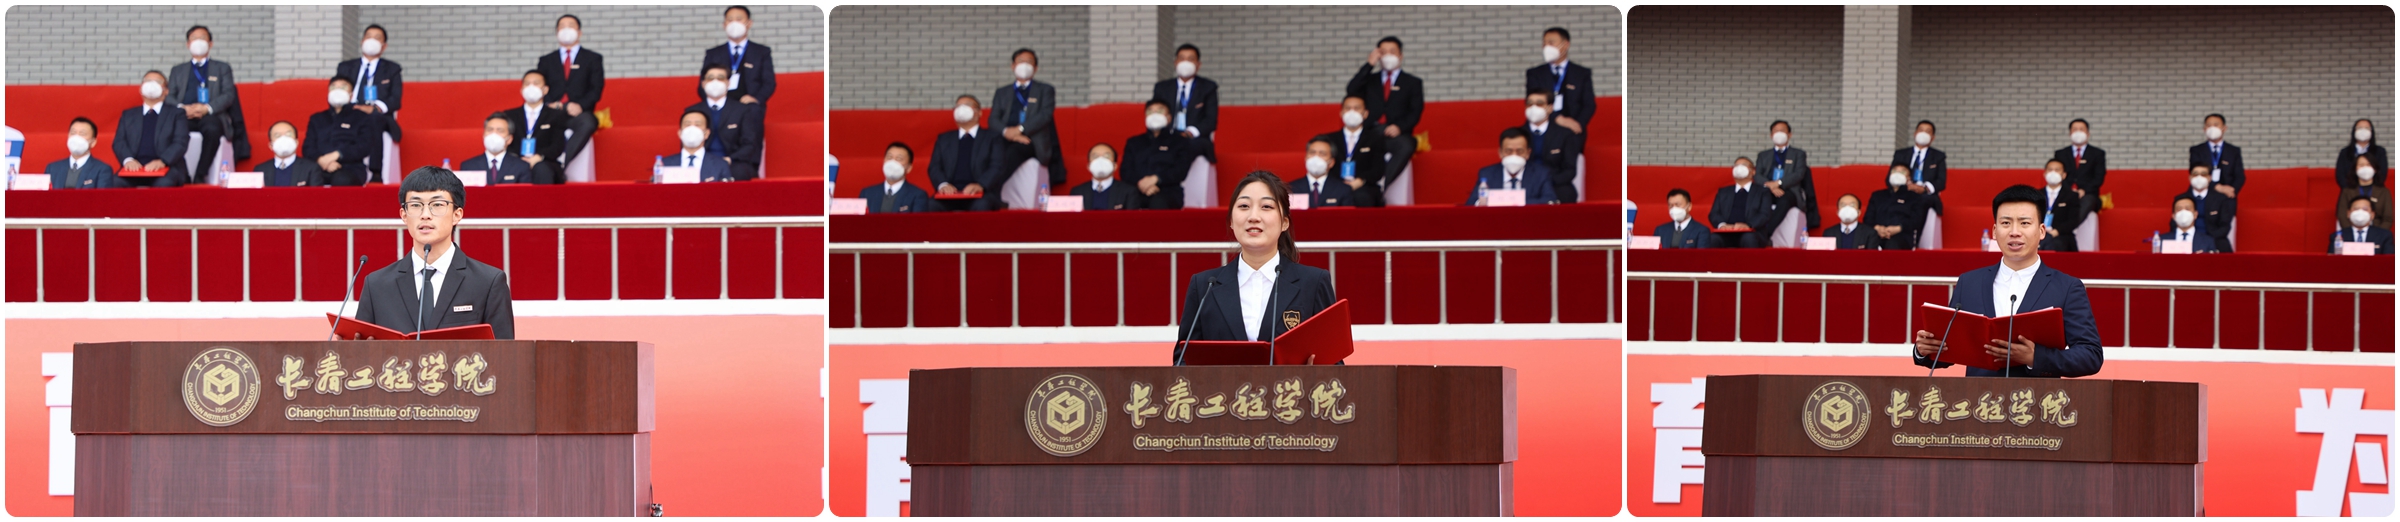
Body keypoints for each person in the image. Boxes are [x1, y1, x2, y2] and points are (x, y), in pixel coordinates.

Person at [1913, 185, 2104, 378]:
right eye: (2006, 223)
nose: (2014, 232)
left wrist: (2035, 358)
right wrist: (1924, 350)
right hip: (1979, 396)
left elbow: (2091, 355)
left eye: (2024, 223)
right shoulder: (1969, 282)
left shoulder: (2067, 287)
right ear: (1995, 231)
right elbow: (1951, 348)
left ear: (2041, 231)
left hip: (2035, 396)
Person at [1173, 171, 1338, 365]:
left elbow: (1335, 364)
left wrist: (1314, 374)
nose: (1253, 216)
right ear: (1231, 221)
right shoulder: (1204, 286)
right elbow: (1182, 362)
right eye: (1244, 206)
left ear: (1284, 222)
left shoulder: (1313, 283)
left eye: (1266, 206)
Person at [352, 167, 516, 339]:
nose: (425, 215)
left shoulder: (488, 282)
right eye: (415, 205)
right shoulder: (377, 285)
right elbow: (362, 350)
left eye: (437, 205)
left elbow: (504, 352)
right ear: (404, 215)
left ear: (457, 214)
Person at [167, 25, 242, 185]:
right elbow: (169, 96)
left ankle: (201, 174)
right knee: (169, 132)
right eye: (194, 38)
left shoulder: (222, 68)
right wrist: (183, 109)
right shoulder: (177, 70)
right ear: (188, 44)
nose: (198, 41)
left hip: (211, 115)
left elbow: (228, 94)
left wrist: (206, 108)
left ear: (210, 43)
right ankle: (184, 174)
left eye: (202, 38)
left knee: (212, 130)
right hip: (184, 115)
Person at [990, 48, 1064, 209]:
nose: (1024, 65)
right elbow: (993, 119)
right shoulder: (1002, 92)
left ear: (1036, 68)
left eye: (1029, 62)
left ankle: (992, 193)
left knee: (1012, 153)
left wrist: (1020, 130)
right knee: (988, 152)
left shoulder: (1045, 90)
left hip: (1032, 140)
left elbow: (1045, 115)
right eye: (1020, 61)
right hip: (1006, 137)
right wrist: (1009, 133)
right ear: (1012, 66)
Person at [1344, 36, 1422, 188]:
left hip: (1396, 134)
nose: (1388, 55)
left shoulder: (1412, 82)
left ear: (1400, 56)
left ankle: (1381, 184)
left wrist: (1399, 127)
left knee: (1406, 146)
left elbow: (1415, 111)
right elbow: (1351, 90)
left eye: (1392, 52)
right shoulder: (1370, 80)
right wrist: (1369, 65)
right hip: (1371, 131)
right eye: (1384, 52)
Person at [334, 24, 403, 183]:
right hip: (350, 110)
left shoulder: (392, 69)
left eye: (377, 38)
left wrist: (374, 108)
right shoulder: (345, 67)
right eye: (368, 36)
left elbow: (395, 100)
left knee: (374, 119)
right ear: (362, 41)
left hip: (378, 115)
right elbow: (336, 91)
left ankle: (375, 172)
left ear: (384, 46)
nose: (372, 40)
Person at [537, 14, 605, 171]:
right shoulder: (546, 60)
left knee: (588, 123)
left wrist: (580, 105)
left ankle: (562, 163)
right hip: (553, 111)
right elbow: (540, 86)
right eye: (562, 26)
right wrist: (549, 103)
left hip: (578, 113)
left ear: (579, 32)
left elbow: (596, 89)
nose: (566, 29)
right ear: (557, 33)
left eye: (571, 26)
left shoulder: (593, 58)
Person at [1526, 27, 1593, 175]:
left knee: (1569, 169)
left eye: (1551, 42)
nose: (1546, 47)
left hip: (1572, 130)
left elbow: (1589, 104)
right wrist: (1557, 118)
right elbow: (1532, 101)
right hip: (1544, 127)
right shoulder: (1535, 74)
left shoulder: (1581, 73)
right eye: (1544, 43)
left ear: (1566, 44)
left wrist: (1577, 124)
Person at [112, 70, 189, 187]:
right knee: (115, 182)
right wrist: (128, 160)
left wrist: (162, 161)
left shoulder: (177, 114)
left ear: (166, 91)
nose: (152, 85)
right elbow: (119, 142)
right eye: (147, 81)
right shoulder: (128, 115)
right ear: (140, 89)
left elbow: (180, 142)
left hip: (167, 167)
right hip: (135, 167)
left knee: (163, 185)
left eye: (157, 82)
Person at [687, 63, 762, 181]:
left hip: (733, 162)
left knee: (740, 172)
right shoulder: (692, 112)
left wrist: (730, 159)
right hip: (702, 162)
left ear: (728, 83)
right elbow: (687, 143)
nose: (715, 82)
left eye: (720, 78)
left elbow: (750, 144)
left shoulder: (742, 110)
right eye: (710, 78)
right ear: (703, 83)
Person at [931, 95, 1007, 211]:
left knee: (981, 206)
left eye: (967, 105)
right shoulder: (944, 139)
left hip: (981, 193)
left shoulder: (992, 138)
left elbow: (997, 166)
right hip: (950, 194)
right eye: (958, 106)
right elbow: (934, 167)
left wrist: (980, 185)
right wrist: (943, 184)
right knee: (930, 205)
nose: (961, 109)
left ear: (979, 113)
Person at [1313, 96, 1389, 208]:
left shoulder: (1375, 138)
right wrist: (1340, 184)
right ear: (1341, 113)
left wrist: (1360, 180)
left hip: (1364, 186)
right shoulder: (1329, 139)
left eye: (1356, 108)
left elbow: (1378, 169)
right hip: (1335, 184)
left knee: (1362, 197)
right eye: (1348, 108)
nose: (1352, 112)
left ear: (1365, 113)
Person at [1123, 99, 1197, 209]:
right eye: (1150, 111)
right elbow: (1126, 171)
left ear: (1169, 118)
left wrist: (1157, 178)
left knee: (1158, 202)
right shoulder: (1134, 142)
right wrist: (1142, 184)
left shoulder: (1180, 142)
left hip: (1168, 192)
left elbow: (1180, 171)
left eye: (1160, 111)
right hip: (1137, 189)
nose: (1154, 115)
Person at [303, 76, 378, 186]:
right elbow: (308, 147)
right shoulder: (317, 118)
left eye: (343, 87)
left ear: (351, 95)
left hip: (351, 169)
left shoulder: (362, 118)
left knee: (341, 180)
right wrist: (321, 160)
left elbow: (364, 146)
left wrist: (338, 154)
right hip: (319, 167)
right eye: (333, 87)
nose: (337, 91)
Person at [498, 70, 568, 185]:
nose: (531, 87)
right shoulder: (509, 115)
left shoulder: (556, 115)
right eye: (527, 84)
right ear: (521, 90)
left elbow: (557, 146)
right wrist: (519, 159)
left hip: (545, 162)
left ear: (545, 90)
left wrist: (539, 157)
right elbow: (505, 143)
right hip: (516, 160)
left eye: (536, 83)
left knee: (541, 168)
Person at [1755, 120, 1818, 247]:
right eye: (1775, 131)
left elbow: (1799, 174)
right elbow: (1757, 175)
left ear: (1790, 134)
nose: (1779, 133)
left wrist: (1778, 183)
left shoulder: (1798, 154)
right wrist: (1771, 186)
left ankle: (1765, 234)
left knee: (1784, 200)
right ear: (1771, 135)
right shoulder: (1763, 155)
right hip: (1768, 189)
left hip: (1790, 192)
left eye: (1782, 131)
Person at [1152, 44, 1217, 166]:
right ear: (1175, 63)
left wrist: (1189, 133)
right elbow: (1154, 114)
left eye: (1190, 59)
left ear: (1198, 64)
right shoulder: (1162, 88)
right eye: (1182, 58)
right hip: (1168, 135)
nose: (1185, 63)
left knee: (1184, 146)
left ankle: (1170, 176)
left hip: (1195, 138)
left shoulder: (1208, 87)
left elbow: (1210, 120)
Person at [701, 6, 776, 108]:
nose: (734, 23)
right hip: (721, 107)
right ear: (724, 25)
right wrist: (715, 102)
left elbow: (769, 82)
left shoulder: (761, 52)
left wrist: (756, 99)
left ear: (749, 23)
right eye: (730, 20)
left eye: (739, 19)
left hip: (750, 106)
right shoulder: (713, 53)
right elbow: (703, 83)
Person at [1465, 127, 1557, 206]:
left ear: (1528, 153)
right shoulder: (1487, 174)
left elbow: (1550, 200)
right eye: (1508, 151)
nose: (1514, 156)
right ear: (1500, 153)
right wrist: (1482, 203)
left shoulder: (1541, 174)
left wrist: (1514, 202)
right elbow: (1471, 203)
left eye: (1519, 151)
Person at [1890, 120, 1945, 249]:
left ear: (1933, 137)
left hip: (1925, 195)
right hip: (1903, 190)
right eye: (1921, 130)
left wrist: (1923, 188)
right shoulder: (1901, 154)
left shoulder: (1938, 156)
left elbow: (1941, 182)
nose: (1923, 133)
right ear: (1915, 133)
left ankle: (1913, 240)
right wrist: (1904, 185)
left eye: (1928, 131)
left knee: (1921, 201)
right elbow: (1889, 178)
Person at [2052, 118, 2107, 249]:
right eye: (2075, 129)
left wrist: (2083, 190)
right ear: (2070, 133)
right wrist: (2070, 192)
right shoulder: (2061, 154)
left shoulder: (2097, 154)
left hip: (2088, 195)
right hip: (2067, 193)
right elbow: (2058, 176)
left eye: (2081, 129)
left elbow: (2098, 178)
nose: (2078, 132)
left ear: (2088, 133)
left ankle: (2065, 229)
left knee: (2087, 201)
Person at [1521, 91, 1581, 203]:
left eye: (1539, 104)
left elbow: (1569, 170)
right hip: (1525, 184)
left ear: (1550, 108)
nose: (1533, 107)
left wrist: (1546, 181)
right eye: (1529, 104)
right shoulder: (1518, 134)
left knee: (1567, 194)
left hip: (1555, 183)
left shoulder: (1565, 135)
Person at [1709, 156, 1783, 248]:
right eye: (1736, 166)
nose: (1739, 168)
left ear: (1753, 171)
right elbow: (1714, 213)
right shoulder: (1723, 192)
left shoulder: (1762, 191)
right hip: (1727, 233)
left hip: (1752, 232)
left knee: (1748, 238)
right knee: (1713, 239)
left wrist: (1748, 225)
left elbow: (1765, 214)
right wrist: (1722, 225)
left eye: (1743, 165)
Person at [44, 117, 127, 189]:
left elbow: (103, 199)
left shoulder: (102, 169)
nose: (76, 137)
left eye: (82, 133)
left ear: (93, 142)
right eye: (73, 133)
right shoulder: (52, 168)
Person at [1864, 165, 1926, 250]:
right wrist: (1877, 228)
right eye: (1894, 171)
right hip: (1876, 234)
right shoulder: (1877, 195)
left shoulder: (1915, 198)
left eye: (1902, 172)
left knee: (1892, 244)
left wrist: (1898, 228)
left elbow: (1916, 220)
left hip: (1902, 236)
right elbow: (1868, 218)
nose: (1897, 174)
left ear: (1908, 178)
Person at [664, 109, 735, 182]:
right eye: (687, 125)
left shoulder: (720, 164)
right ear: (680, 133)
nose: (692, 129)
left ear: (706, 133)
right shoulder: (664, 164)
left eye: (697, 125)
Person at [460, 115, 535, 185]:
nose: (494, 134)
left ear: (510, 139)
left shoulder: (521, 166)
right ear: (483, 135)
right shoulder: (468, 166)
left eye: (500, 131)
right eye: (490, 130)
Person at [861, 142, 934, 213]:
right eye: (889, 157)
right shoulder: (867, 193)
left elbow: (918, 221)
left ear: (909, 168)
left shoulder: (917, 195)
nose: (892, 162)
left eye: (899, 159)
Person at [2177, 165, 2236, 253]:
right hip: (2188, 241)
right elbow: (2174, 224)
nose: (2199, 177)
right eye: (2195, 174)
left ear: (2209, 178)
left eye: (2203, 174)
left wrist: (2206, 241)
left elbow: (2225, 226)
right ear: (2190, 177)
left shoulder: (2221, 199)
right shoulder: (2180, 199)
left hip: (2215, 240)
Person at [1070, 143, 1139, 210]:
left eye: (1106, 156)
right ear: (1088, 166)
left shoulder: (1128, 191)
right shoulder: (1077, 192)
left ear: (1115, 166)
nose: (1100, 160)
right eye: (1095, 156)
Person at [2037, 159, 2087, 252]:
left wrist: (2055, 232)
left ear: (2064, 175)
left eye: (2057, 170)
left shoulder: (2071, 196)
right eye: (2050, 169)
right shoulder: (2036, 194)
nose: (2053, 173)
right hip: (2038, 235)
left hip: (2061, 236)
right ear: (2044, 174)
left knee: (2055, 244)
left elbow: (2073, 220)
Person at [1289, 137, 1354, 208]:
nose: (1316, 158)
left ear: (1331, 162)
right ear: (1305, 158)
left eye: (1322, 154)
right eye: (1312, 153)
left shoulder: (1343, 189)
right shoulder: (1290, 188)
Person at [259, 121, 327, 187]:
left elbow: (316, 194)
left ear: (296, 142)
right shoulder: (260, 170)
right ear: (271, 145)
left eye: (289, 135)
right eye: (277, 135)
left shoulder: (311, 168)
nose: (283, 139)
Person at [2190, 113, 2243, 197]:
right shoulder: (2196, 150)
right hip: (2203, 192)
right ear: (2204, 129)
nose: (2212, 128)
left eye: (2216, 125)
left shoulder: (2233, 151)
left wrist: (2232, 190)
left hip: (2228, 194)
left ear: (2224, 128)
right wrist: (2216, 187)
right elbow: (2195, 173)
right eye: (2208, 125)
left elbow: (2239, 176)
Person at [2335, 154, 2393, 230]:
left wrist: (2379, 234)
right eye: (2361, 165)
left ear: (2375, 169)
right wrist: (2352, 233)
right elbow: (2342, 216)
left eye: (2369, 165)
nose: (2365, 168)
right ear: (2355, 169)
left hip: (2377, 231)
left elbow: (2388, 219)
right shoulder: (2347, 191)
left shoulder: (2384, 192)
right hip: (2352, 231)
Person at [2337, 119, 2389, 192]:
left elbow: (2382, 173)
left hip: (2374, 192)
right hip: (2350, 192)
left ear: (2371, 132)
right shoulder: (2345, 152)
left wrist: (2369, 190)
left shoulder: (2380, 151)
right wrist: (2351, 191)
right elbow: (2340, 175)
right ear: (2354, 131)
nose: (2363, 131)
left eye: (2367, 128)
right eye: (2360, 128)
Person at [2329, 197, 2394, 254]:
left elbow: (2389, 260)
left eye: (2365, 209)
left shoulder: (2384, 235)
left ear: (2372, 214)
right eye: (2356, 209)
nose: (2360, 212)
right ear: (2348, 213)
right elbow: (2331, 259)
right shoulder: (2337, 236)